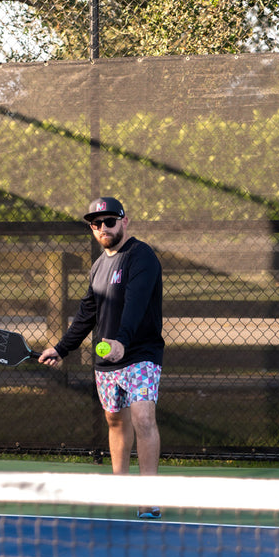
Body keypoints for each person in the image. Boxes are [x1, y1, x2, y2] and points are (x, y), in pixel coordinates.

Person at [37, 196, 165, 519]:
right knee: (114, 420)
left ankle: (148, 497)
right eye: (96, 224)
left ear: (125, 221)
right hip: (108, 361)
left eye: (110, 221)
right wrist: (62, 347)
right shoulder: (97, 268)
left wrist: (122, 340)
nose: (103, 228)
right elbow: (87, 314)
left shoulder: (141, 257)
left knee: (143, 418)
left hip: (141, 354)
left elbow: (136, 304)